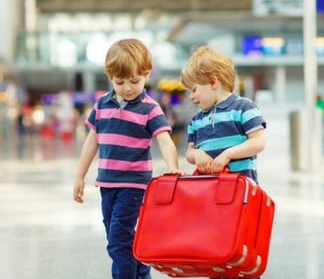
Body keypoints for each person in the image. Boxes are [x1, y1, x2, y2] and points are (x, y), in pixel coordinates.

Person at [73, 38, 180, 279]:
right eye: (119, 82)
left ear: (147, 74)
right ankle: (142, 274)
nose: (128, 88)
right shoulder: (102, 104)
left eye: (135, 81)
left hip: (133, 185)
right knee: (118, 236)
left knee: (118, 242)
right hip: (107, 184)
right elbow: (92, 141)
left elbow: (164, 139)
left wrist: (173, 167)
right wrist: (80, 175)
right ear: (110, 76)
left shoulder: (150, 108)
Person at [179, 46, 267, 279]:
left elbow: (258, 142)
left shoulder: (244, 108)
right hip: (209, 198)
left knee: (241, 249)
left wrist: (227, 155)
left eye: (194, 89)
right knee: (215, 253)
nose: (191, 96)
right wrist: (196, 155)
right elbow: (189, 152)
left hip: (241, 198)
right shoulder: (197, 120)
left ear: (213, 81)